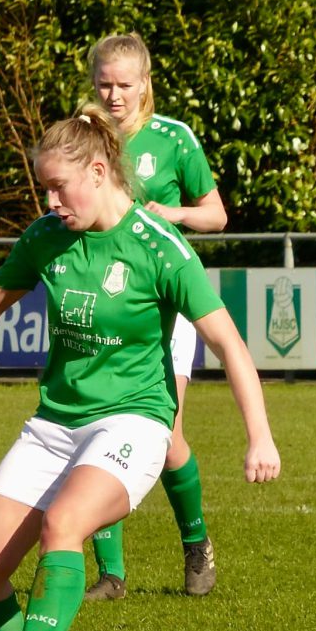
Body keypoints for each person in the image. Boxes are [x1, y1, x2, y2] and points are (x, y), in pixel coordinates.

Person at [0, 106, 279, 631]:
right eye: (44, 189)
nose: (51, 200)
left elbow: (229, 343)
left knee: (65, 523)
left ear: (98, 169)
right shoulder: (47, 234)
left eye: (60, 187)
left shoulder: (159, 248)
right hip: (55, 423)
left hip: (134, 424)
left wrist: (260, 436)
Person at [85, 32, 230, 601]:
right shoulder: (85, 140)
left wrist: (165, 212)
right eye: (104, 84)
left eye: (124, 84)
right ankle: (111, 574)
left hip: (167, 303)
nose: (114, 95)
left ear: (145, 82)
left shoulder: (174, 138)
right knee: (95, 425)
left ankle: (196, 545)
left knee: (165, 436)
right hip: (106, 299)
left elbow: (216, 216)